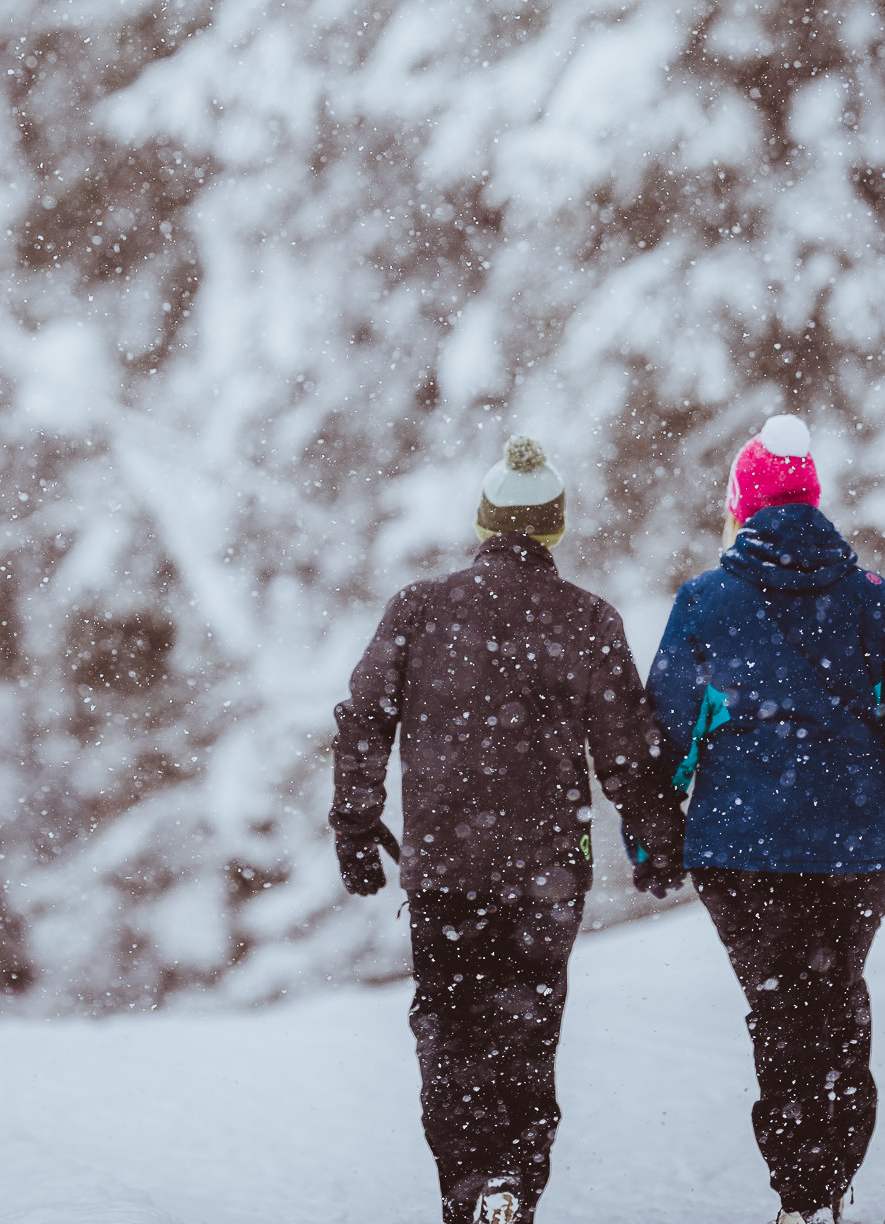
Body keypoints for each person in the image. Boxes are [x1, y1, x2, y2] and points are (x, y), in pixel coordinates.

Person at [646, 414, 885, 1224]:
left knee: (779, 1011)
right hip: (853, 847)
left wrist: (652, 838)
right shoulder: (870, 599)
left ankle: (800, 1193)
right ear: (812, 502)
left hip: (738, 850)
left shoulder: (704, 601)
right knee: (835, 1001)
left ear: (740, 507)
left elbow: (662, 737)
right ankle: (828, 1180)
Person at [330, 434, 685, 1224]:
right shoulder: (587, 618)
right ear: (552, 529)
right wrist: (656, 834)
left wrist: (354, 822)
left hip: (445, 865)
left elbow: (363, 719)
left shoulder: (419, 610)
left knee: (450, 1029)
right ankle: (512, 1188)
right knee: (526, 1025)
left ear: (486, 524)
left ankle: (470, 1189)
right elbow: (626, 749)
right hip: (547, 869)